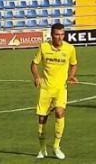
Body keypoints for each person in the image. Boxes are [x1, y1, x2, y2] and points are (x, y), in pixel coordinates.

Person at [30, 23, 78, 159]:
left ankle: (56, 146)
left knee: (59, 112)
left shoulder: (70, 49)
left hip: (60, 89)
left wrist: (71, 76)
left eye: (62, 34)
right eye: (57, 34)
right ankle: (42, 148)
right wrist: (37, 77)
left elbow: (74, 64)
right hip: (45, 89)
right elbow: (34, 64)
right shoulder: (44, 47)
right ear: (52, 35)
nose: (60, 37)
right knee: (42, 119)